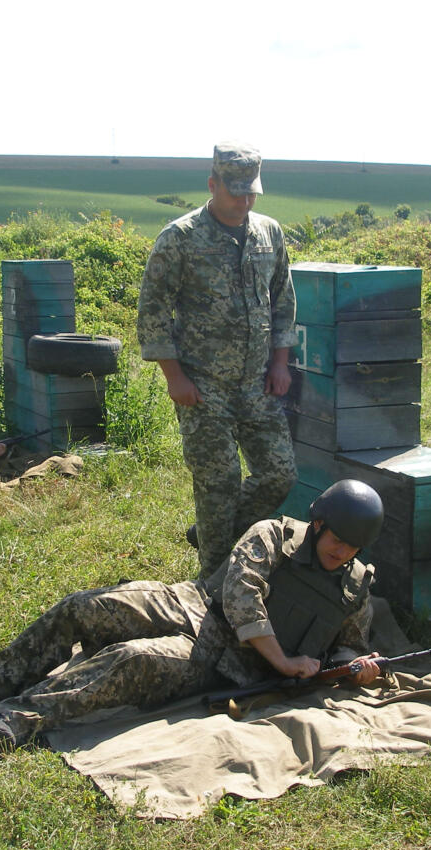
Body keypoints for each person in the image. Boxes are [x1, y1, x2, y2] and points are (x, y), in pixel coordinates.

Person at [0, 479, 386, 751]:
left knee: (130, 659)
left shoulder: (355, 586)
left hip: (227, 661)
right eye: (336, 540)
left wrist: (356, 670)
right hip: (195, 604)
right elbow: (242, 598)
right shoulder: (272, 536)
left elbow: (348, 645)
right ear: (318, 524)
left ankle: (15, 717)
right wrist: (285, 662)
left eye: (352, 547)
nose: (341, 552)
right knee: (84, 606)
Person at [137, 141, 298, 578]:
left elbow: (283, 300)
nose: (244, 202)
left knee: (279, 475)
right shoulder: (180, 238)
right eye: (235, 192)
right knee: (219, 482)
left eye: (251, 194)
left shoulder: (269, 233)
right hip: (202, 387)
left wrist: (280, 362)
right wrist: (174, 376)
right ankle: (212, 576)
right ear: (213, 185)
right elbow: (153, 311)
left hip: (256, 383)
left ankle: (215, 532)